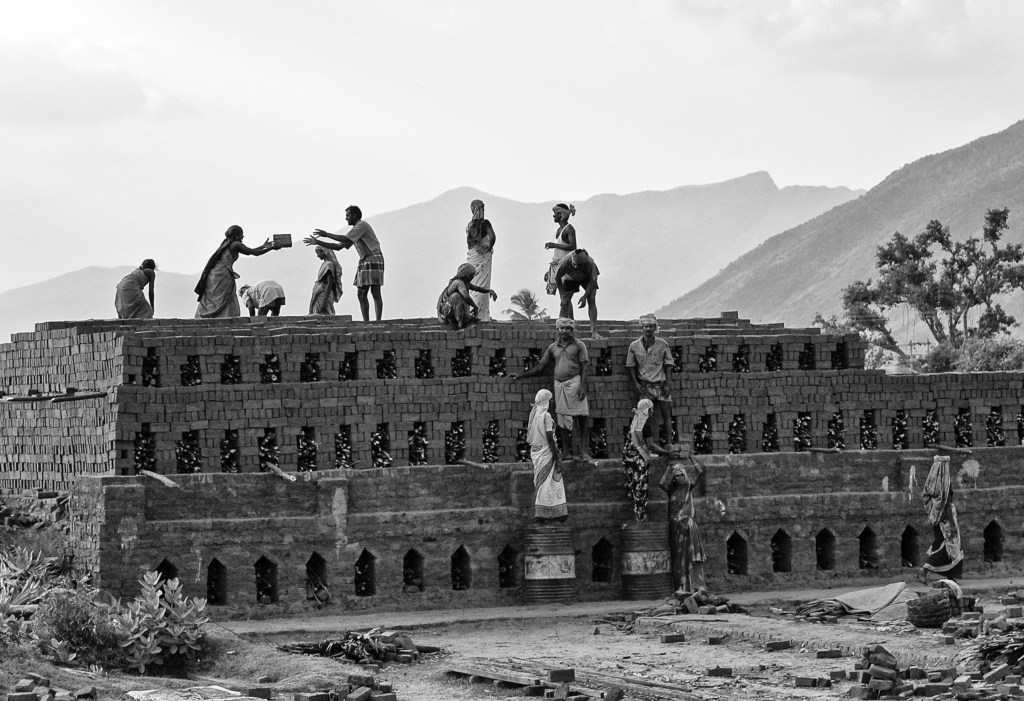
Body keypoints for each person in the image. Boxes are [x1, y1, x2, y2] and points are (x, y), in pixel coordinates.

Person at [514, 317, 592, 462]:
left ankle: (583, 451)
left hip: (575, 383)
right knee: (562, 418)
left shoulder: (579, 345)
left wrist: (582, 386)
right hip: (559, 385)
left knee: (582, 417)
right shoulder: (553, 348)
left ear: (572, 330)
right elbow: (541, 367)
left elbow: (585, 366)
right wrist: (520, 375)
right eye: (562, 328)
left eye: (568, 328)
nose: (565, 331)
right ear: (558, 330)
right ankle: (566, 452)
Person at [305, 206, 384, 321]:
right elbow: (338, 247)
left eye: (348, 216)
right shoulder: (355, 232)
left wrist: (326, 234)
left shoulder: (361, 225)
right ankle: (366, 322)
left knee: (375, 291)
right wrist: (318, 242)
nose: (346, 218)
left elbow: (344, 239)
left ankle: (378, 321)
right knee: (361, 293)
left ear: (355, 215)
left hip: (373, 257)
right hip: (364, 260)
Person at [195, 225, 282, 318]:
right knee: (225, 295)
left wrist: (263, 246)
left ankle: (217, 315)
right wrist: (271, 248)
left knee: (216, 296)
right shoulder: (236, 244)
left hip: (214, 274)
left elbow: (250, 251)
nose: (243, 237)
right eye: (241, 235)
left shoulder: (227, 244)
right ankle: (225, 316)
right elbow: (253, 253)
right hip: (222, 274)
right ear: (236, 236)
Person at [658, 446, 706, 592]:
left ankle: (693, 585)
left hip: (686, 525)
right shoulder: (671, 490)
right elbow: (661, 483)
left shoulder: (688, 487)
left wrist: (691, 458)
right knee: (678, 556)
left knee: (688, 553)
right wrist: (669, 468)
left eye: (681, 475)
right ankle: (681, 585)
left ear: (684, 476)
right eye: (676, 476)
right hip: (675, 526)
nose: (678, 477)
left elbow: (700, 472)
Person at [626, 314, 675, 447]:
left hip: (661, 384)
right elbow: (631, 366)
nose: (649, 329)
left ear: (655, 328)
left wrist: (668, 383)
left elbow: (668, 363)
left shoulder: (662, 344)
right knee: (645, 417)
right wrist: (636, 384)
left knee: (666, 415)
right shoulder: (634, 345)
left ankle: (669, 443)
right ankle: (650, 444)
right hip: (644, 385)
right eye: (646, 326)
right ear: (642, 328)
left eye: (651, 326)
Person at [623, 398, 673, 522]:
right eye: (652, 409)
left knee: (633, 487)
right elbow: (651, 445)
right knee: (640, 489)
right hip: (637, 460)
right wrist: (667, 452)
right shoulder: (645, 423)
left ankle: (636, 509)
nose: (653, 411)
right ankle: (640, 518)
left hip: (627, 457)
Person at [921, 454, 964, 581]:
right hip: (946, 521)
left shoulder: (931, 483)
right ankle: (925, 569)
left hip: (936, 518)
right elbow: (947, 505)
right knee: (949, 547)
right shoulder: (945, 484)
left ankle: (950, 576)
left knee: (941, 545)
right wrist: (952, 525)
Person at [528, 389, 567, 521]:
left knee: (541, 481)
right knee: (548, 481)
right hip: (546, 451)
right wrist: (557, 456)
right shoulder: (546, 416)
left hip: (536, 451)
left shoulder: (534, 414)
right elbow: (550, 438)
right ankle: (547, 512)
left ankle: (541, 511)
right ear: (546, 402)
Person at [553, 249, 600, 339]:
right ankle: (563, 330)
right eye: (574, 264)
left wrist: (585, 296)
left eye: (578, 265)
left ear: (584, 262)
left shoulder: (591, 264)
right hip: (570, 278)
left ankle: (594, 331)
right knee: (565, 302)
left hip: (587, 279)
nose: (575, 267)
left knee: (592, 300)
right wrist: (562, 294)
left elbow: (592, 281)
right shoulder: (565, 262)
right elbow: (557, 277)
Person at [437, 263, 497, 330]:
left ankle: (463, 320)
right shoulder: (458, 283)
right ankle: (460, 323)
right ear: (467, 276)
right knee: (457, 296)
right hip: (448, 310)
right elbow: (466, 296)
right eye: (472, 275)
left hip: (456, 309)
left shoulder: (466, 283)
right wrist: (475, 306)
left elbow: (477, 288)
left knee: (461, 301)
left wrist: (489, 291)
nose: (473, 277)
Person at [466, 199, 497, 321]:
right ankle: (480, 314)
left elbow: (492, 237)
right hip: (481, 256)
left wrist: (487, 247)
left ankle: (477, 313)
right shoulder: (484, 223)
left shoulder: (470, 225)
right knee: (480, 283)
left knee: (474, 282)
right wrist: (488, 247)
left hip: (474, 257)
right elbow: (493, 237)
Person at [545, 203, 576, 296]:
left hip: (567, 267)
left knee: (565, 299)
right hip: (556, 265)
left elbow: (573, 246)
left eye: (556, 213)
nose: (553, 215)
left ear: (561, 215)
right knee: (563, 299)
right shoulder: (557, 231)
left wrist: (554, 245)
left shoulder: (569, 229)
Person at [309, 246, 343, 315]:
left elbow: (330, 283)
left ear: (323, 252)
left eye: (318, 253)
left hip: (324, 293)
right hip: (320, 292)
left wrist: (325, 301)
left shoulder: (329, 265)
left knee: (324, 313)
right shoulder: (324, 264)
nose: (317, 256)